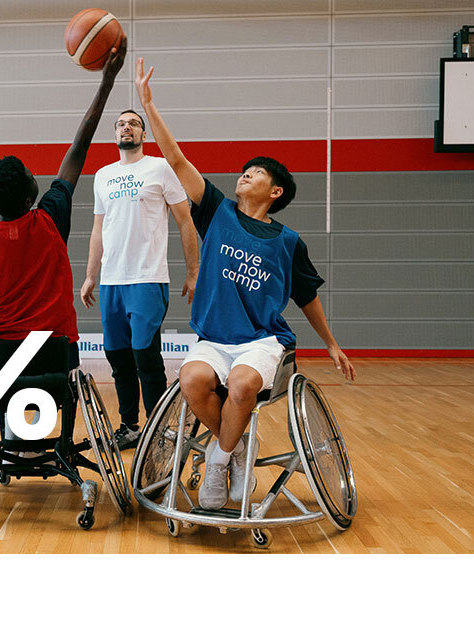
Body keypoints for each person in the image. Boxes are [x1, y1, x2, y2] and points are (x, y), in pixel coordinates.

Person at [134, 58, 356, 510]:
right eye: (245, 170)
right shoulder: (216, 211)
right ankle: (237, 448)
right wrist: (149, 104)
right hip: (213, 338)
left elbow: (307, 297)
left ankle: (219, 459)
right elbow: (176, 159)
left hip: (261, 341)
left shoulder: (288, 242)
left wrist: (331, 343)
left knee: (239, 387)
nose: (245, 173)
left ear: (275, 192)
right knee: (193, 382)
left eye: (257, 173)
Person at [0, 39, 127, 436]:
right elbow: (79, 147)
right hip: (55, 354)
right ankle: (32, 428)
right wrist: (107, 81)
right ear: (32, 195)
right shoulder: (50, 219)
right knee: (50, 371)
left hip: (1, 356)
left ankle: (12, 428)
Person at [80, 109, 198, 450]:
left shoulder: (159, 168)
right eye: (120, 124)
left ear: (142, 134)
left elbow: (185, 221)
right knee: (118, 358)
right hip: (112, 282)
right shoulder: (102, 175)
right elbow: (98, 229)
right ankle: (130, 426)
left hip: (148, 279)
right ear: (114, 133)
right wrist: (91, 275)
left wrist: (193, 272)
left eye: (133, 123)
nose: (125, 127)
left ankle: (159, 430)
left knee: (146, 355)